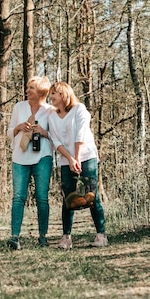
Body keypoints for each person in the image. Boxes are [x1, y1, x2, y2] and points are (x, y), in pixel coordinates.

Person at [47, 81, 107, 249]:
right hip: (66, 160)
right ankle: (66, 238)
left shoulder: (79, 110)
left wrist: (77, 157)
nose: (50, 97)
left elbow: (81, 133)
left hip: (86, 157)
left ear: (63, 94)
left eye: (54, 93)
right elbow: (55, 140)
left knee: (91, 195)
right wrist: (70, 158)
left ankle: (101, 236)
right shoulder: (52, 116)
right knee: (68, 198)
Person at [6, 76, 55, 250]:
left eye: (31, 88)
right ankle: (14, 237)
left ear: (41, 91)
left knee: (42, 197)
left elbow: (57, 137)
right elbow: (9, 131)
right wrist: (19, 127)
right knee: (18, 197)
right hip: (20, 157)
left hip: (43, 156)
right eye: (28, 88)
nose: (27, 91)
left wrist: (44, 132)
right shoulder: (18, 107)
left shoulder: (50, 111)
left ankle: (43, 236)